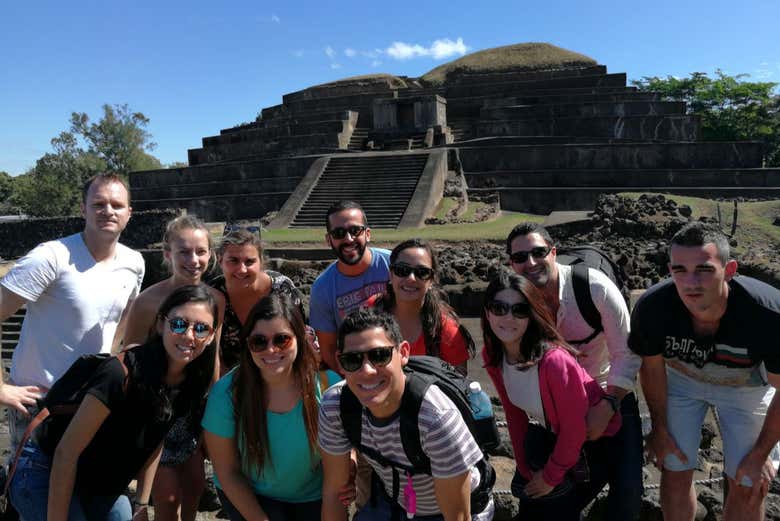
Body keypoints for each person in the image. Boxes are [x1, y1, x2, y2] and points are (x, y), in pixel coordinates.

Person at [9, 284, 218, 521]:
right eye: (179, 324)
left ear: (211, 337)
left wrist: (141, 503)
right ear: (161, 324)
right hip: (46, 469)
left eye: (201, 329)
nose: (189, 335)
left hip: (99, 480)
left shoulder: (189, 383)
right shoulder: (121, 374)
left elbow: (155, 441)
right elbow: (66, 453)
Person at [629, 222, 780, 521]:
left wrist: (762, 453)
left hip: (747, 387)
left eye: (704, 269)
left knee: (748, 483)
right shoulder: (652, 307)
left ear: (730, 269)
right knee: (673, 468)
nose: (690, 282)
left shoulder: (767, 314)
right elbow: (652, 369)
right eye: (679, 270)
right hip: (683, 380)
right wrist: (658, 428)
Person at [506, 221, 643, 519]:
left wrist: (609, 404)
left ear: (553, 252)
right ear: (511, 264)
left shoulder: (593, 288)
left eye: (538, 252)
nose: (530, 263)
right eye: (519, 258)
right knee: (547, 503)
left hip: (610, 393)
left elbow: (627, 352)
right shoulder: (517, 303)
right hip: (557, 409)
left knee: (628, 499)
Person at [0, 173, 145, 452]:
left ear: (129, 213)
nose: (108, 211)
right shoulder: (51, 257)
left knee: (88, 491)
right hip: (38, 402)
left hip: (92, 401)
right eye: (98, 204)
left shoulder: (134, 262)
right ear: (83, 209)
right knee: (35, 492)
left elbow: (122, 320)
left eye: (117, 205)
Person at [319, 308, 492, 520]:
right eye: (352, 360)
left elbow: (458, 516)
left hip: (453, 508)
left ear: (403, 353)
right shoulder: (336, 405)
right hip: (396, 500)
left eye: (379, 355)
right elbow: (333, 494)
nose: (367, 370)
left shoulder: (435, 418)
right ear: (340, 362)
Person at [481, 269, 623, 520]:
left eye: (520, 310)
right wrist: (525, 469)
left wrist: (549, 477)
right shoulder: (493, 355)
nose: (508, 317)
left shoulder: (555, 362)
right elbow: (514, 417)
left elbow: (575, 429)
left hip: (596, 447)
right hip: (559, 443)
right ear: (487, 312)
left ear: (532, 314)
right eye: (499, 307)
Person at [202, 293, 343, 520]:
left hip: (313, 495)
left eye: (282, 340)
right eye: (259, 341)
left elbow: (343, 460)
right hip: (252, 493)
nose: (271, 350)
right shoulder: (227, 393)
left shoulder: (329, 388)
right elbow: (227, 471)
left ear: (299, 338)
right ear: (247, 345)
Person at [123, 214, 226, 521]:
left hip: (193, 406)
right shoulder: (148, 302)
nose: (193, 260)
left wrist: (215, 409)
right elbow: (130, 357)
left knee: (195, 486)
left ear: (211, 255)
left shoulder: (216, 299)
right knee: (167, 497)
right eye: (184, 252)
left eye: (201, 251)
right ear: (167, 254)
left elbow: (214, 356)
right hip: (155, 408)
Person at [368, 239, 473, 374]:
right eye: (402, 270)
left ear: (431, 280)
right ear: (391, 274)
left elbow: (458, 387)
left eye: (422, 272)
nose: (411, 278)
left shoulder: (447, 332)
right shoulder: (372, 309)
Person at [309, 201, 391, 371]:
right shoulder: (322, 289)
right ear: (328, 239)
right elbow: (329, 350)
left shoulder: (393, 265)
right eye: (339, 233)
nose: (348, 239)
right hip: (357, 368)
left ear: (367, 234)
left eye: (355, 231)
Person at [210, 228, 304, 372]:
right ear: (220, 260)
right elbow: (210, 352)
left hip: (279, 370)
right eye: (233, 261)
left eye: (249, 262)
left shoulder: (281, 288)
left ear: (261, 262)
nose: (242, 269)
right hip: (230, 379)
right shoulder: (212, 293)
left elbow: (299, 338)